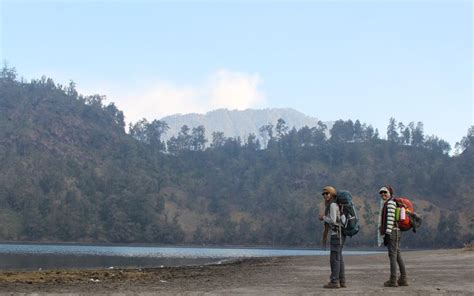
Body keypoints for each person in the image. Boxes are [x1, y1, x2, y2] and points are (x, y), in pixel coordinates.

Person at [378, 186, 408, 287]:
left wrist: (387, 234)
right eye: (381, 193)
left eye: (385, 192)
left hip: (392, 232)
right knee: (397, 255)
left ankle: (393, 280)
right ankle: (403, 279)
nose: (383, 194)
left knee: (392, 256)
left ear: (390, 193)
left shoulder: (390, 203)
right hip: (396, 231)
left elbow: (390, 219)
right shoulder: (391, 202)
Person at [319, 186, 346, 289]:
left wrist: (323, 218)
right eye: (324, 194)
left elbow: (333, 220)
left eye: (327, 193)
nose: (325, 195)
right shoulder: (336, 204)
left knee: (334, 258)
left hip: (337, 234)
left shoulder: (333, 205)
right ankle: (342, 281)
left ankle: (334, 281)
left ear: (332, 194)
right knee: (339, 257)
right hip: (341, 234)